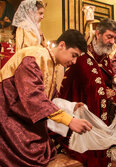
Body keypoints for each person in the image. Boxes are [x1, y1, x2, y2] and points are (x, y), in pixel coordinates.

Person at [0, 29, 92, 166]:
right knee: (27, 152)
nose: (74, 61)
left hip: (24, 115)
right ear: (61, 45)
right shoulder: (34, 56)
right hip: (8, 113)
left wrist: (72, 106)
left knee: (43, 148)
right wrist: (69, 120)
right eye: (73, 55)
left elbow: (49, 97)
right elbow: (33, 97)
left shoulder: (52, 63)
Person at [58, 18, 116, 167]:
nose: (112, 41)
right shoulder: (82, 57)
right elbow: (94, 88)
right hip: (80, 109)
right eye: (109, 37)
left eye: (114, 38)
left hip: (99, 109)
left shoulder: (105, 58)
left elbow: (104, 83)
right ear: (98, 34)